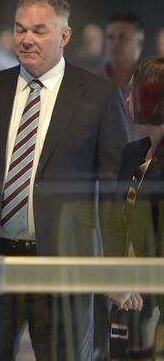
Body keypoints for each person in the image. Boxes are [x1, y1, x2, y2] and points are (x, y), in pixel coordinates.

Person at [0, 0, 129, 360]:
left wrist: (117, 264)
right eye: (20, 29)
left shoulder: (99, 97)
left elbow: (116, 191)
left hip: (65, 263)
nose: (26, 39)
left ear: (64, 36)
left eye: (40, 31)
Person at [107, 57, 164, 359]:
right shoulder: (132, 153)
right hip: (125, 298)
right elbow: (113, 223)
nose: (127, 97)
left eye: (134, 91)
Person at [96, 12, 147, 141]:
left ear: (140, 43)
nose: (115, 43)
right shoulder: (91, 82)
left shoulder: (154, 83)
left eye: (122, 37)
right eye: (110, 37)